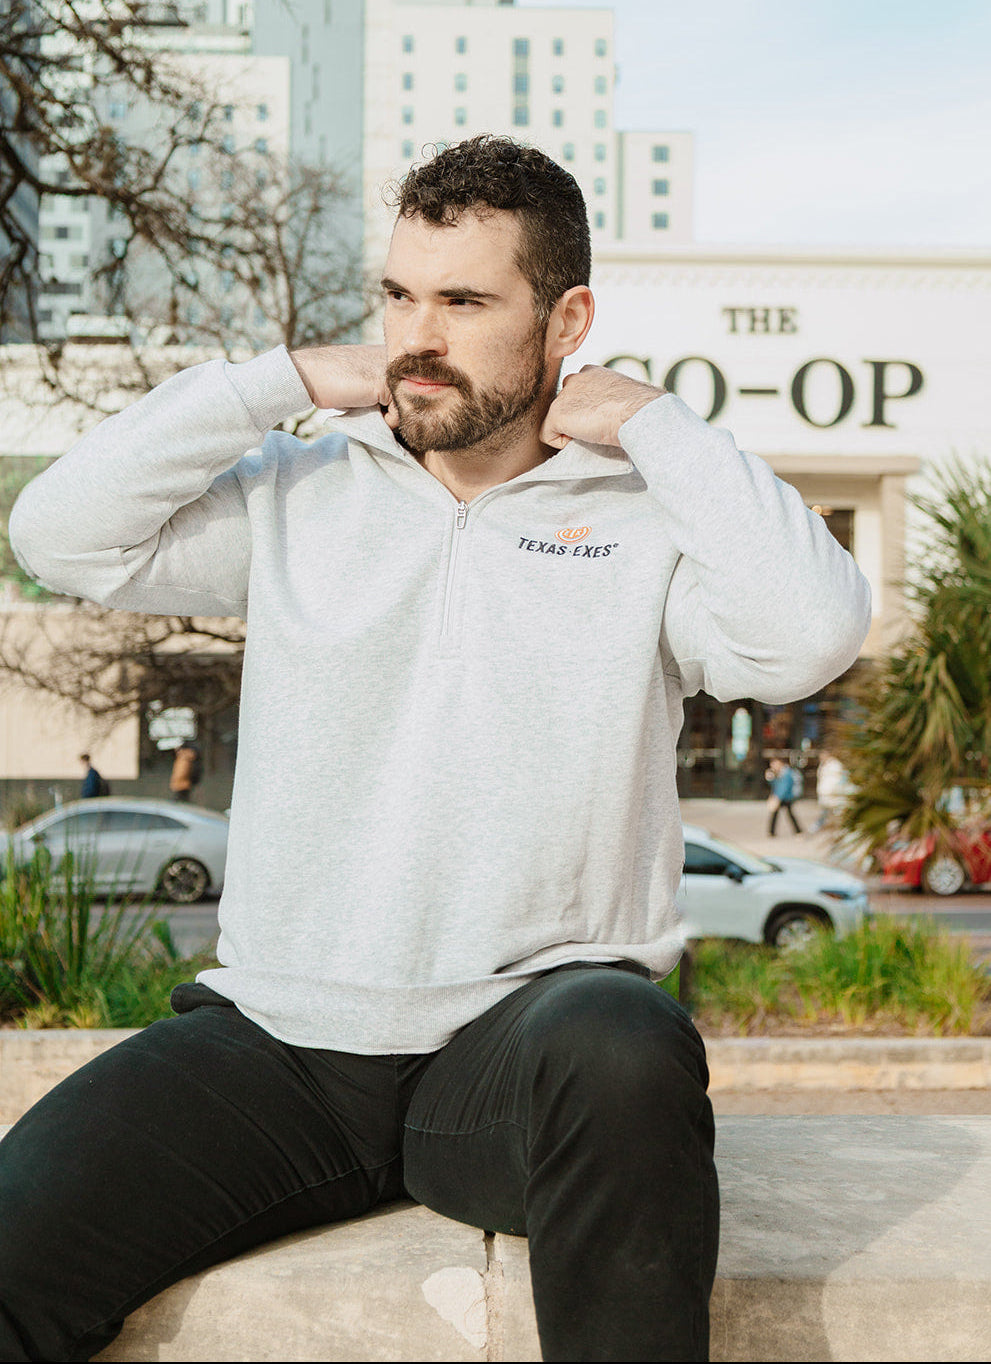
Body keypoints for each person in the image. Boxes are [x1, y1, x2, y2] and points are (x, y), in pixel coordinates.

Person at [0, 136, 870, 1362]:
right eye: (401, 293)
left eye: (464, 301)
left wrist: (660, 425)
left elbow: (811, 632)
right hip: (281, 1042)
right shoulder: (297, 490)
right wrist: (281, 378)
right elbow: (57, 535)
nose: (419, 333)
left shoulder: (645, 526)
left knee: (625, 1046)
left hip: (516, 1053)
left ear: (565, 318)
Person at [812, 747, 851, 831]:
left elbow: (843, 777)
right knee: (825, 813)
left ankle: (841, 829)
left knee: (836, 814)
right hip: (824, 794)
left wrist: (838, 790)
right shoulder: (822, 765)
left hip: (833, 794)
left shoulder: (835, 765)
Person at [765, 756, 803, 836]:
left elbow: (784, 787)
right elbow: (775, 786)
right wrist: (770, 779)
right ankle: (772, 832)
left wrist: (777, 797)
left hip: (786, 797)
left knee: (789, 814)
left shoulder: (787, 773)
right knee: (778, 813)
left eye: (775, 764)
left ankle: (798, 831)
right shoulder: (778, 772)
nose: (773, 766)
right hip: (781, 797)